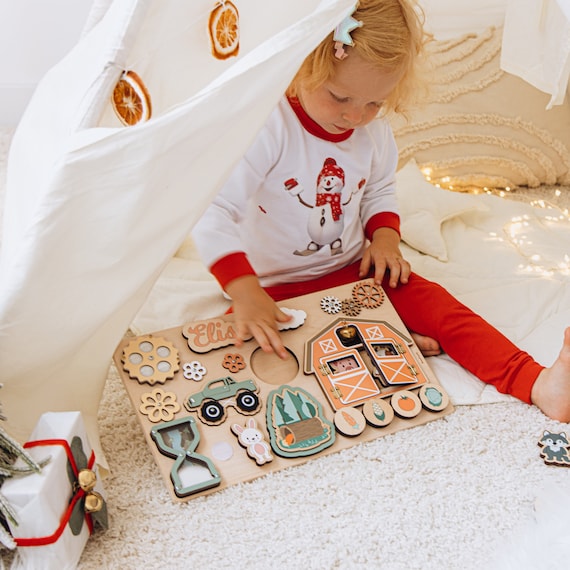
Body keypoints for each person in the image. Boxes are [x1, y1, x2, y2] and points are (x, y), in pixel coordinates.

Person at [192, 0, 570, 422]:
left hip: (353, 273)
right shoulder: (268, 127)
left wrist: (386, 239)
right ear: (303, 66)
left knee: (444, 310)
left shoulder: (372, 131)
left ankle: (536, 383)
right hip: (272, 288)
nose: (356, 116)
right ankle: (384, 333)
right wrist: (245, 292)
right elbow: (212, 212)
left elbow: (380, 190)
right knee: (239, 359)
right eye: (340, 97)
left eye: (375, 103)